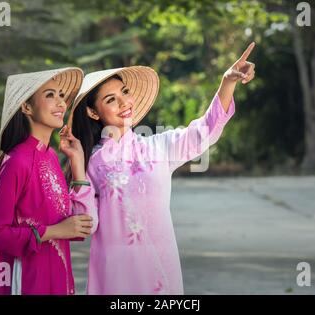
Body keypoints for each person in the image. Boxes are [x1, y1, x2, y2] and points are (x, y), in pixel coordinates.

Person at [68, 42, 256, 294]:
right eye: (111, 100)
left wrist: (227, 82)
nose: (124, 102)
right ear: (92, 112)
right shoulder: (93, 161)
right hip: (116, 276)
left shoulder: (159, 147)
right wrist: (78, 166)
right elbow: (87, 224)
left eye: (125, 92)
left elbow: (204, 131)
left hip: (161, 272)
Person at [0, 67, 95, 295]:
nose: (61, 103)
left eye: (61, 95)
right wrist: (53, 231)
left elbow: (74, 226)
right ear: (26, 107)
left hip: (58, 275)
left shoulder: (51, 156)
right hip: (27, 280)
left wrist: (78, 164)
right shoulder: (17, 161)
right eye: (50, 95)